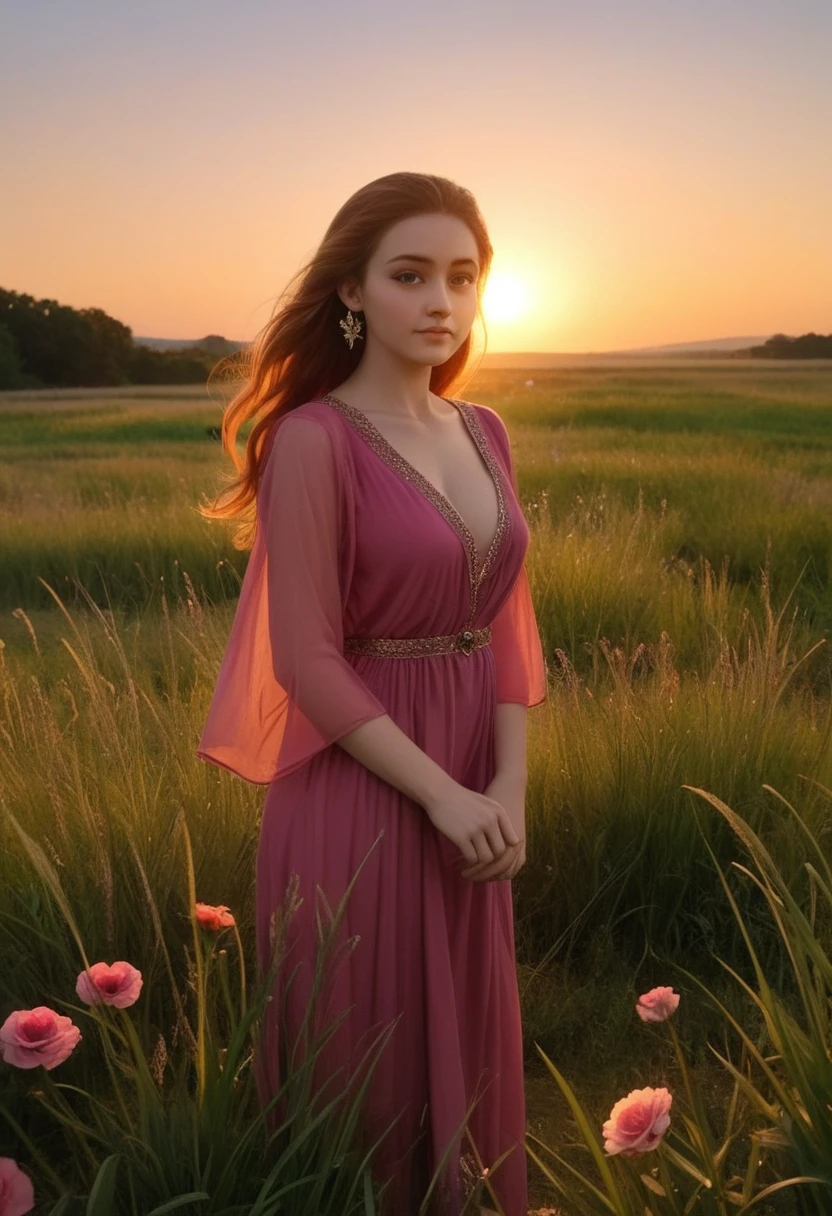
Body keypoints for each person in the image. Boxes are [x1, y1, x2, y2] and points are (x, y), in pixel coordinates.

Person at [195, 171, 548, 1215]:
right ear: (351, 290)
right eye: (409, 275)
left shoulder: (485, 430)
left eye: (462, 276)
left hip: (478, 782)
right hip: (363, 786)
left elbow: (508, 634)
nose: (441, 300)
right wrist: (440, 795)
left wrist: (510, 787)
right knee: (371, 1055)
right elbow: (306, 658)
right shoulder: (312, 439)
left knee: (467, 1048)